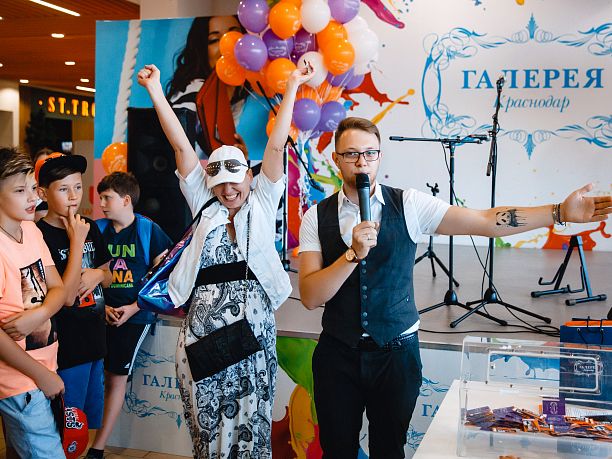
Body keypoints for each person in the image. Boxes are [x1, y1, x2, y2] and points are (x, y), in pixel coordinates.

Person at [298, 116, 612, 458]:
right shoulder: (316, 216)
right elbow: (311, 297)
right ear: (336, 158)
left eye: (370, 153)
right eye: (351, 154)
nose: (362, 162)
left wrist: (558, 212)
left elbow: (486, 221)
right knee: (337, 451)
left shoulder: (409, 204)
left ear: (380, 156)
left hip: (396, 355)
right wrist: (352, 255)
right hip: (337, 356)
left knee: (389, 449)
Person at [137, 61, 313, 458]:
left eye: (235, 181)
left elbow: (276, 146)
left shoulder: (263, 200)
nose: (228, 190)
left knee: (252, 425)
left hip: (253, 334)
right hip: (203, 336)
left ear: (250, 176)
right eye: (219, 184)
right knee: (208, 428)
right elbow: (181, 146)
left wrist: (291, 85)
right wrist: (155, 91)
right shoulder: (205, 203)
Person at [85, 172, 172, 459]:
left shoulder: (149, 230)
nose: (101, 204)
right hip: (99, 313)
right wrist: (102, 308)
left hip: (134, 316)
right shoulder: (96, 229)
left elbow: (162, 279)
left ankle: (97, 447)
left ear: (125, 200)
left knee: (116, 377)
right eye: (101, 198)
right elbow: (87, 273)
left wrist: (134, 308)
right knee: (92, 375)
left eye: (107, 198)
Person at [35, 152, 112, 433]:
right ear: (43, 193)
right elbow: (65, 298)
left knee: (86, 426)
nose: (73, 196)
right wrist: (76, 242)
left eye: (78, 187)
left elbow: (109, 275)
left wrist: (98, 275)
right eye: (63, 189)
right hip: (66, 349)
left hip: (95, 343)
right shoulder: (39, 235)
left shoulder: (89, 227)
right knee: (67, 428)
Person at [0, 147, 66, 459]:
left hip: (44, 364)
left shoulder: (30, 229)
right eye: (19, 191)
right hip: (19, 379)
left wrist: (36, 316)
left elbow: (58, 289)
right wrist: (40, 375)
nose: (33, 198)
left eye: (32, 188)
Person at [167, 15, 250, 159]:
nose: (226, 46)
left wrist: (239, 157)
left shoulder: (239, 96)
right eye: (214, 40)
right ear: (202, 50)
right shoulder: (196, 92)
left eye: (234, 35)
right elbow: (176, 152)